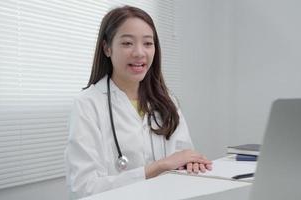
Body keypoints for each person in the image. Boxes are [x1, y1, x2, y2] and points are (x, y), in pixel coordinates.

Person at [64, 5, 212, 199]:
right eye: (127, 43)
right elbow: (83, 189)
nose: (139, 53)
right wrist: (157, 168)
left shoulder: (167, 102)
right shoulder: (87, 105)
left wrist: (192, 163)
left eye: (148, 43)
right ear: (107, 48)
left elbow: (184, 159)